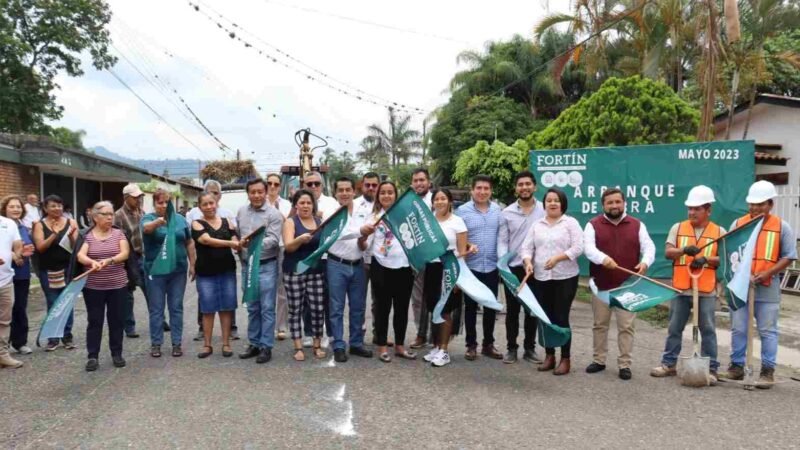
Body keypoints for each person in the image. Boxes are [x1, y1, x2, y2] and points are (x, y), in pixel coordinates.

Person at [726, 181, 797, 388]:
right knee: (739, 328)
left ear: (770, 204)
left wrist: (766, 273)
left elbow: (789, 256)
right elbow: (729, 251)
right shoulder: (738, 224)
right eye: (751, 204)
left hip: (767, 286)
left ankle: (767, 371)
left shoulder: (782, 227)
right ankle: (737, 368)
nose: (755, 208)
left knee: (767, 330)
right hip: (741, 286)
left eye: (760, 204)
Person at [651, 185, 724, 383]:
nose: (692, 212)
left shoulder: (719, 231)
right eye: (690, 208)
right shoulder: (678, 228)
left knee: (707, 330)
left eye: (697, 208)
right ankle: (669, 363)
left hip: (706, 290)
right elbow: (668, 252)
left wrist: (706, 259)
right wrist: (683, 250)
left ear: (708, 210)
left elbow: (723, 259)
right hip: (681, 288)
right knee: (675, 328)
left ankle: (712, 368)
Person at [583, 188, 655, 380]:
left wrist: (645, 262)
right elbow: (588, 249)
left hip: (627, 288)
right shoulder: (593, 225)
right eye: (610, 203)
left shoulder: (637, 225)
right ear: (603, 205)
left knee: (626, 327)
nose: (614, 205)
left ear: (624, 203)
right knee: (600, 325)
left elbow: (649, 247)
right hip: (601, 286)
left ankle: (625, 364)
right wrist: (603, 258)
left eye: (617, 202)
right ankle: (599, 360)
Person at [522, 188, 584, 375]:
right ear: (544, 204)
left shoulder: (570, 223)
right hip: (541, 277)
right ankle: (550, 356)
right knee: (546, 318)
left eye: (556, 200)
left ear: (562, 203)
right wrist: (527, 262)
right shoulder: (536, 225)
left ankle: (565, 359)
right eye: (549, 200)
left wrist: (558, 258)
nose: (552, 203)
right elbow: (526, 248)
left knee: (561, 318)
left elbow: (578, 247)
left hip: (565, 277)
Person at [76, 201, 130, 371]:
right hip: (93, 288)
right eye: (105, 214)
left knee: (116, 321)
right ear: (95, 216)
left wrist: (109, 260)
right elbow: (80, 255)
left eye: (111, 214)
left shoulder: (119, 233)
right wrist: (91, 262)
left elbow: (125, 253)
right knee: (94, 321)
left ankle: (116, 353)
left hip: (118, 286)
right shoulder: (87, 235)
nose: (109, 217)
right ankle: (92, 356)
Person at [497, 171, 545, 364]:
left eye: (528, 184)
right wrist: (504, 266)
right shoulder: (506, 213)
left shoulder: (544, 209)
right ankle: (511, 349)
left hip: (537, 269)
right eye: (520, 184)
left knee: (532, 310)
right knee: (512, 311)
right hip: (514, 270)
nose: (524, 187)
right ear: (516, 188)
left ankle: (529, 349)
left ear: (534, 187)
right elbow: (502, 242)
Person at [141, 189, 196, 358]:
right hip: (155, 271)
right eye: (160, 202)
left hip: (177, 270)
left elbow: (189, 242)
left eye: (167, 202)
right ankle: (156, 343)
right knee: (156, 308)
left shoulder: (180, 220)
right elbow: (146, 229)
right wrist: (158, 222)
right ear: (154, 204)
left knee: (176, 307)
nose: (164, 205)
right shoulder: (149, 218)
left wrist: (193, 263)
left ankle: (176, 343)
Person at [325, 177, 373, 363]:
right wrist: (361, 231)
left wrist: (363, 240)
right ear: (335, 193)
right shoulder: (331, 212)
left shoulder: (364, 211)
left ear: (355, 191)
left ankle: (356, 343)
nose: (344, 193)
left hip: (358, 264)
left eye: (348, 189)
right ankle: (338, 345)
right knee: (336, 308)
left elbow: (364, 243)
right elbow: (340, 234)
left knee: (358, 307)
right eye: (340, 190)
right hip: (336, 264)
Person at [367, 181, 416, 362]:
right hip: (381, 267)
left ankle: (400, 346)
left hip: (404, 268)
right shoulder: (374, 217)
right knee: (382, 309)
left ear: (396, 195)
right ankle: (381, 347)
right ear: (378, 196)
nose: (387, 195)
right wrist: (363, 235)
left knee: (402, 309)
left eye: (390, 192)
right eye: (383, 193)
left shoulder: (405, 216)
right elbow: (366, 244)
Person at [455, 175, 503, 361]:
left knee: (490, 306)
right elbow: (457, 237)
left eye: (486, 189)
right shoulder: (462, 212)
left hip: (491, 266)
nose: (482, 192)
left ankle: (488, 344)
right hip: (471, 267)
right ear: (472, 190)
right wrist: (468, 245)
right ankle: (471, 345)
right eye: (479, 188)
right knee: (470, 308)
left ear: (491, 191)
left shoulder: (498, 210)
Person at [422, 188, 471, 367]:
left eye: (443, 199)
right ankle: (435, 346)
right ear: (433, 202)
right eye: (437, 199)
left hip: (450, 269)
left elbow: (462, 252)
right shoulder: (428, 222)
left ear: (449, 201)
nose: (440, 202)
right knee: (433, 308)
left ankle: (444, 349)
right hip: (432, 268)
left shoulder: (458, 222)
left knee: (445, 310)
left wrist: (459, 277)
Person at [237, 178, 283, 364]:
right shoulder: (241, 211)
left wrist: (251, 243)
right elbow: (237, 234)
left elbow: (273, 240)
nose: (256, 195)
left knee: (267, 308)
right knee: (253, 307)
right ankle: (254, 343)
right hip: (248, 266)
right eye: (252, 192)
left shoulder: (274, 214)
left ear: (266, 192)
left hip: (266, 266)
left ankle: (266, 346)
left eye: (259, 192)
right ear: (248, 193)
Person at [186, 180, 240, 342]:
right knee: (206, 303)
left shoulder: (228, 216)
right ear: (200, 205)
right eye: (206, 202)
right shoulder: (193, 217)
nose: (210, 204)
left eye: (215, 195)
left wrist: (241, 244)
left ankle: (229, 337)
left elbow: (236, 238)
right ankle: (204, 335)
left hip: (226, 268)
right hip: (205, 268)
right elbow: (197, 241)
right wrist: (192, 264)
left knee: (228, 304)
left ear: (219, 196)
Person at [282, 189, 327, 361]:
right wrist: (299, 239)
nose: (306, 205)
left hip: (315, 271)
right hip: (294, 271)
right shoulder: (290, 222)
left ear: (313, 205)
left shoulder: (319, 221)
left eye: (309, 202)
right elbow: (288, 247)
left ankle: (316, 344)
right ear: (296, 205)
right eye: (302, 202)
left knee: (317, 309)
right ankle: (298, 346)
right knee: (295, 309)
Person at [32, 194, 79, 351]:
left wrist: (72, 237)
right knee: (53, 302)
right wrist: (54, 233)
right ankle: (53, 338)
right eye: (52, 206)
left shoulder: (71, 222)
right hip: (48, 269)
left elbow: (75, 248)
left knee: (67, 301)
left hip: (68, 269)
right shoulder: (39, 225)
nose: (57, 208)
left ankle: (67, 336)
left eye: (59, 205)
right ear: (45, 208)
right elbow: (40, 247)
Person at [114, 183, 153, 339]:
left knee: (150, 289)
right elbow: (117, 239)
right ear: (126, 198)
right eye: (135, 197)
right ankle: (129, 326)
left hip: (143, 256)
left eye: (140, 197)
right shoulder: (118, 215)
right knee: (128, 294)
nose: (139, 199)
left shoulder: (142, 212)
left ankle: (158, 320)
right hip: (128, 258)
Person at [1, 196, 35, 355]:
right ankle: (4, 344)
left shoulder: (23, 227)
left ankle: (20, 342)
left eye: (18, 207)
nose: (16, 209)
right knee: (4, 311)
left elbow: (27, 246)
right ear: (4, 209)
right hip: (4, 273)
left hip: (22, 274)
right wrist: (13, 254)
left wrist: (27, 250)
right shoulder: (2, 226)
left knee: (20, 308)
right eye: (12, 206)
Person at [410, 168, 433, 349]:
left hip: (435, 258)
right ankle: (420, 334)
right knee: (418, 299)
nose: (419, 183)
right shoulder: (409, 203)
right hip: (416, 258)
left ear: (429, 182)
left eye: (422, 180)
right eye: (416, 181)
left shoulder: (437, 200)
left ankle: (436, 336)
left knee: (435, 298)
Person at [266, 173, 291, 342]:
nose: (273, 186)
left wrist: (275, 209)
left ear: (280, 186)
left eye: (276, 184)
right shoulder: (257, 202)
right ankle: (266, 326)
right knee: (266, 288)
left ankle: (281, 326)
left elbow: (288, 223)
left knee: (282, 290)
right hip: (266, 248)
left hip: (282, 246)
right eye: (270, 183)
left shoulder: (287, 204)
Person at [0, 208, 23, 368]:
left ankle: (2, 354)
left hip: (6, 279)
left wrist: (18, 253)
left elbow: (17, 244)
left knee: (4, 320)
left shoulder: (8, 223)